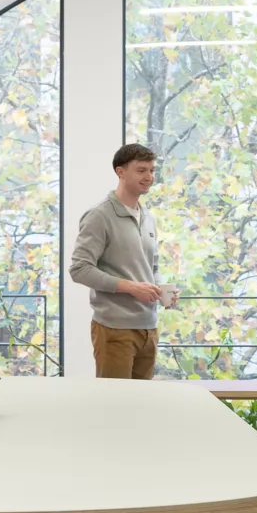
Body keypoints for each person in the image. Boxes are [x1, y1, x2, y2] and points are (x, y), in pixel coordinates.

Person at [69, 142, 170, 379]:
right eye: (141, 170)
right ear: (120, 172)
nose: (149, 177)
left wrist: (162, 289)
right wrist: (131, 287)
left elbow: (152, 266)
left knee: (141, 400)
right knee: (114, 400)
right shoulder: (99, 216)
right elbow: (79, 269)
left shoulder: (148, 218)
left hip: (149, 328)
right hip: (114, 330)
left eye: (152, 170)